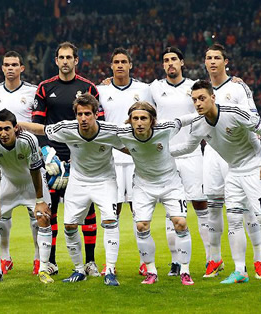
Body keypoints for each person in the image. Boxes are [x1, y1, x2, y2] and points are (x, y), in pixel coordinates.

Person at [171, 80, 261, 286]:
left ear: (213, 97)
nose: (198, 103)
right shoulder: (198, 124)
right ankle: (239, 270)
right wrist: (163, 152)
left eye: (202, 98)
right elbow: (187, 148)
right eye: (194, 100)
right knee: (234, 220)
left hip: (255, 168)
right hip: (234, 172)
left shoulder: (234, 112)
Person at [21, 93, 123, 286]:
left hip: (105, 181)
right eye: (79, 114)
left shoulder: (111, 131)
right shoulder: (67, 128)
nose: (83, 118)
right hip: (78, 181)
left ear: (95, 114)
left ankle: (109, 269)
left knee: (110, 221)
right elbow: (42, 129)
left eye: (87, 114)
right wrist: (18, 125)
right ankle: (78, 270)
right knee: (69, 226)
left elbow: (131, 146)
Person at [32, 42, 102, 277]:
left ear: (76, 60)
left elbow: (97, 125)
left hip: (81, 161)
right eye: (61, 57)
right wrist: (47, 154)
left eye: (68, 57)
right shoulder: (44, 88)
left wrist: (83, 156)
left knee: (87, 211)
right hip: (53, 161)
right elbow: (38, 126)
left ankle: (90, 262)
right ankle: (50, 261)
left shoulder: (89, 87)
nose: (64, 61)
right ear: (56, 61)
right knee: (50, 212)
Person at [202, 44, 261, 279]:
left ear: (226, 61)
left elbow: (255, 117)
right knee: (214, 206)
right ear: (205, 62)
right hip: (213, 152)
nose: (213, 61)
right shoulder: (201, 90)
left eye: (217, 57)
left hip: (238, 153)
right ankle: (215, 259)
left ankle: (258, 259)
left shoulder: (238, 87)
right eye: (209, 58)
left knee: (247, 208)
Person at [117, 101, 195, 285]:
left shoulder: (166, 128)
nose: (139, 122)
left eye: (143, 118)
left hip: (171, 183)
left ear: (152, 121)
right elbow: (100, 133)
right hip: (143, 185)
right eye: (135, 118)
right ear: (130, 120)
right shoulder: (122, 133)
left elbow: (185, 119)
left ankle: (185, 271)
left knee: (180, 223)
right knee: (141, 226)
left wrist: (209, 111)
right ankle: (151, 271)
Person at [150, 47, 210, 276]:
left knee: (201, 206)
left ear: (182, 62)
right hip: (166, 157)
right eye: (166, 60)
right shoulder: (154, 88)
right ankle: (176, 262)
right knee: (170, 210)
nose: (170, 63)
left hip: (193, 154)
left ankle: (211, 258)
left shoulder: (194, 87)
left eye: (174, 59)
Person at [97, 47, 154, 277]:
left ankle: (144, 262)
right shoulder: (101, 90)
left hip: (136, 156)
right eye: (116, 62)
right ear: (111, 66)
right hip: (111, 157)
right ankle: (110, 263)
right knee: (113, 211)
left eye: (124, 62)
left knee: (138, 209)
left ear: (131, 65)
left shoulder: (144, 90)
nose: (120, 65)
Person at [0, 109, 53, 284]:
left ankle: (42, 267)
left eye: (7, 128)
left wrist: (39, 201)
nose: (3, 133)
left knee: (42, 218)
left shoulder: (28, 140)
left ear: (16, 128)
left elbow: (35, 170)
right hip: (9, 183)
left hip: (32, 183)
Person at [0, 51, 41, 275]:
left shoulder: (33, 91)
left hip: (27, 153)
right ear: (2, 68)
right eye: (7, 65)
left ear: (22, 68)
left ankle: (39, 259)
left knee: (37, 215)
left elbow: (39, 121)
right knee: (1, 213)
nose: (10, 68)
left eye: (15, 65)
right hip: (3, 156)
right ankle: (5, 257)